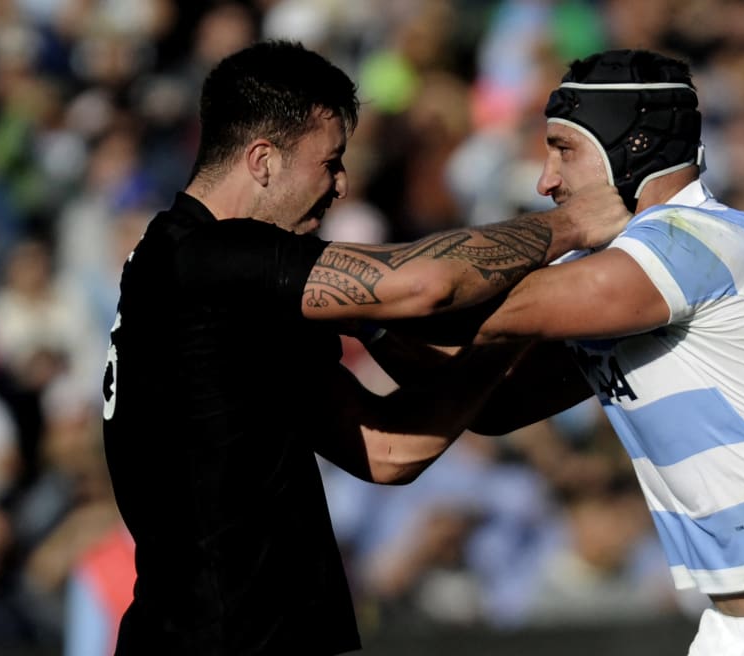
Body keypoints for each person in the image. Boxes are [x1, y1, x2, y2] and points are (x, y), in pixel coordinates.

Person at [367, 49, 744, 655]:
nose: (544, 180)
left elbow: (439, 297)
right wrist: (353, 324)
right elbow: (493, 401)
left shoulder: (703, 239)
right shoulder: (625, 275)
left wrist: (293, 279)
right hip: (735, 629)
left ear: (633, 145)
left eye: (563, 148)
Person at [100, 40, 629, 656]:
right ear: (263, 160)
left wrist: (521, 338)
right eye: (330, 162)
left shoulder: (227, 294)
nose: (343, 186)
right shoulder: (203, 258)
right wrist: (573, 225)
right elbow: (422, 284)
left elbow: (387, 450)